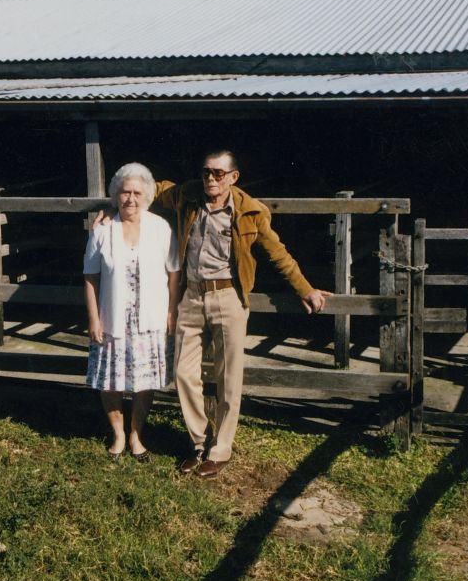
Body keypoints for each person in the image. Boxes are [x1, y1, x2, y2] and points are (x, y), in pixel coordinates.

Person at [96, 150, 329, 477]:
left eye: (218, 173)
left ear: (233, 177)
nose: (210, 178)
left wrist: (305, 289)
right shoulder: (187, 195)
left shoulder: (250, 212)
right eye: (206, 172)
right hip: (191, 295)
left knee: (228, 377)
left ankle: (220, 450)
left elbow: (278, 254)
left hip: (228, 296)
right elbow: (145, 188)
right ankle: (198, 443)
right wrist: (114, 207)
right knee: (183, 372)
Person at [83, 162, 180, 462]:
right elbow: (90, 277)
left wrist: (171, 312)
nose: (131, 199)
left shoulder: (160, 228)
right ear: (116, 194)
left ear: (147, 195)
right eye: (125, 192)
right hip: (112, 319)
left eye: (137, 193)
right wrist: (94, 318)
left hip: (149, 319)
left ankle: (137, 435)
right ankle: (118, 435)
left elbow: (174, 274)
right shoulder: (102, 230)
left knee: (144, 381)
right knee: (109, 381)